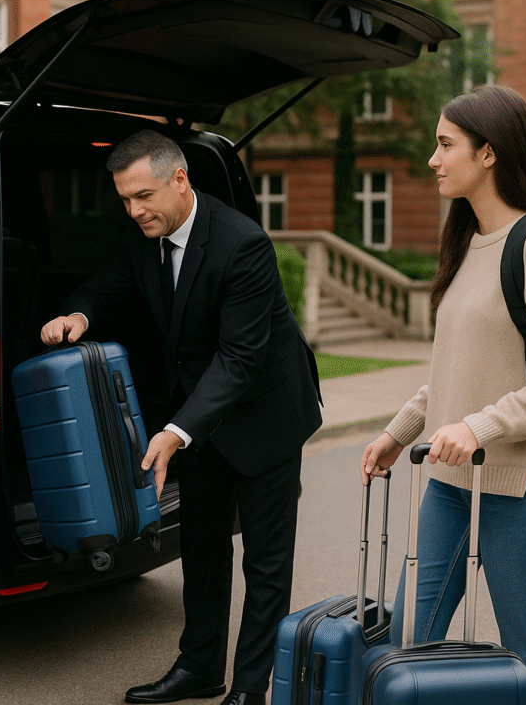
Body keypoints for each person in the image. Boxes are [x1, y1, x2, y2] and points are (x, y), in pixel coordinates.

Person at [41, 130, 322, 705]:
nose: (134, 210)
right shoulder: (141, 236)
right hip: (198, 419)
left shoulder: (243, 244)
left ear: (180, 179)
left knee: (266, 565)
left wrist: (174, 432)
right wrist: (78, 314)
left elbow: (240, 360)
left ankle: (249, 688)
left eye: (143, 195)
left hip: (265, 414)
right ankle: (199, 669)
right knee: (202, 548)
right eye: (124, 199)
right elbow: (106, 285)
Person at [360, 85, 526, 705]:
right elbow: (457, 367)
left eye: (445, 144)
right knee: (409, 644)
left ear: (489, 153)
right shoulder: (465, 241)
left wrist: (479, 427)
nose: (433, 159)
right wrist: (399, 430)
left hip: (523, 490)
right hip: (450, 484)